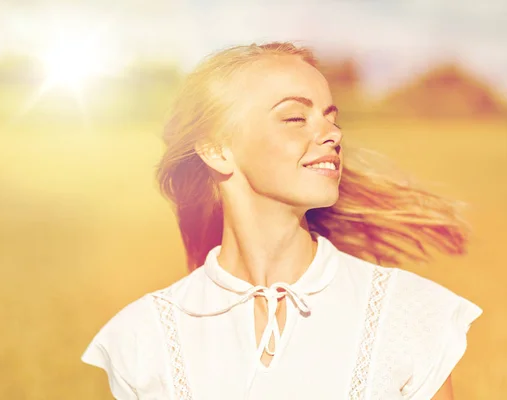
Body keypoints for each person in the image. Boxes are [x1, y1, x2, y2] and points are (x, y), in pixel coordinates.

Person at [81, 42, 482, 400]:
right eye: (295, 118)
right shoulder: (143, 337)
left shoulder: (409, 314)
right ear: (216, 148)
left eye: (330, 117)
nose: (331, 134)